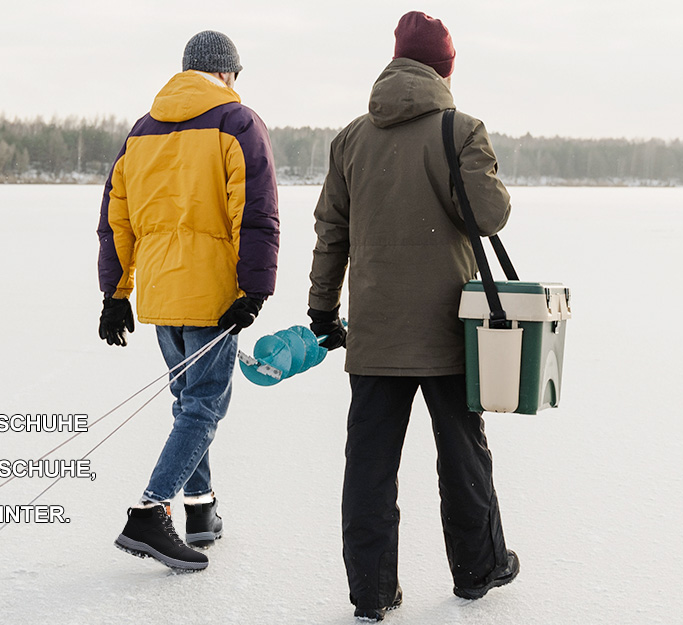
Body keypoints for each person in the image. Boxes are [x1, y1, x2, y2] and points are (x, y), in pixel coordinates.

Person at [307, 11, 518, 621]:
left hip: (373, 335)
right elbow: (491, 216)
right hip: (450, 330)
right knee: (463, 455)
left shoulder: (350, 137)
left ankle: (371, 592)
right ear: (444, 68)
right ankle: (479, 571)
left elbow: (331, 233)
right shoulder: (461, 129)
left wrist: (323, 308)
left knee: (369, 468)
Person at [96, 30, 279, 571]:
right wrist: (254, 291)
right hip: (212, 297)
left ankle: (201, 510)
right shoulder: (236, 123)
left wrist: (115, 294)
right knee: (203, 407)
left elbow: (115, 221)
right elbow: (257, 212)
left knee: (187, 405)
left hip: (159, 294)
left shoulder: (142, 130)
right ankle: (149, 512)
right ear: (225, 73)